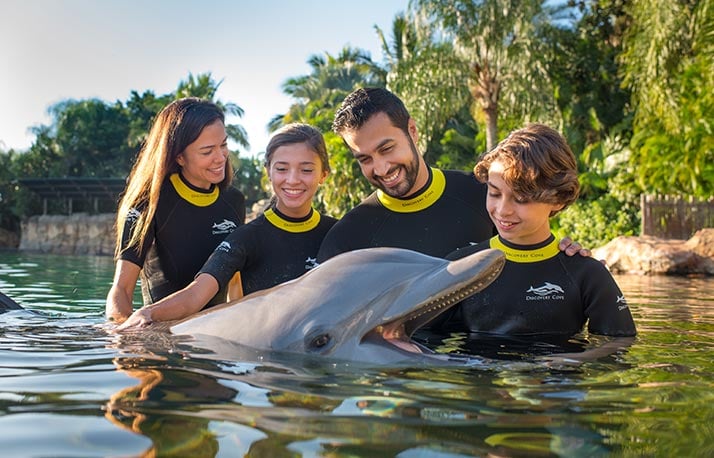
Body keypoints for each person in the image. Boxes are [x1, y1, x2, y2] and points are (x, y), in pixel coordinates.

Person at [317, 87, 586, 262]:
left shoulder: (484, 195)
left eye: (387, 148)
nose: (381, 168)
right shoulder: (347, 238)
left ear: (412, 131)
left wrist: (567, 253)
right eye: (364, 158)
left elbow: (533, 250)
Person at [115, 123, 337, 329]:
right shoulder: (245, 239)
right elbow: (195, 295)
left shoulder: (339, 233)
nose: (293, 179)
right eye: (282, 169)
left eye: (306, 170)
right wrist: (147, 315)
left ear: (324, 175)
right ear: (268, 172)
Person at [444, 123, 636, 338]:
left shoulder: (586, 273)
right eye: (495, 193)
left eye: (521, 199)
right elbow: (419, 339)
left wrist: (569, 361)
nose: (503, 210)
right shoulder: (459, 268)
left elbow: (618, 344)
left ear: (558, 200)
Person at [105, 97, 246, 323]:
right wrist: (124, 335)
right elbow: (121, 290)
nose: (220, 157)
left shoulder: (233, 200)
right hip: (161, 336)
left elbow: (235, 285)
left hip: (213, 337)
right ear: (179, 156)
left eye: (223, 145)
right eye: (207, 151)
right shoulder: (148, 203)